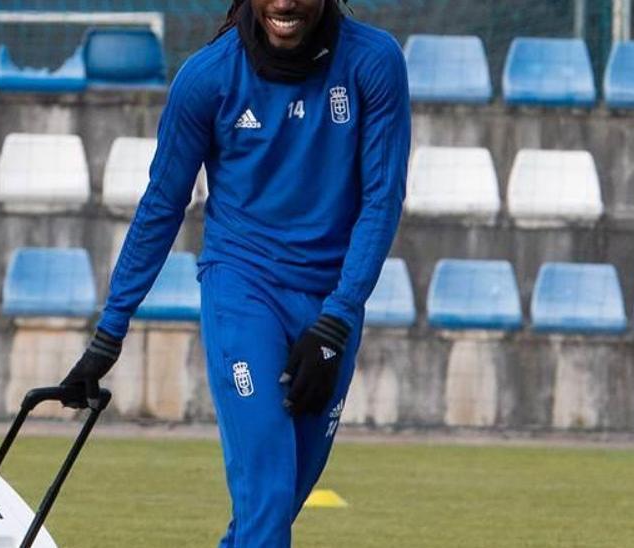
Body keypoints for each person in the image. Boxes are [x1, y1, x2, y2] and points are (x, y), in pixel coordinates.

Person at [60, 0, 409, 545]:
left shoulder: (374, 61)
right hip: (242, 292)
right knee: (267, 497)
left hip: (330, 305)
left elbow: (382, 196)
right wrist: (111, 331)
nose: (285, 3)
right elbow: (161, 205)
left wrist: (337, 319)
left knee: (272, 510)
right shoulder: (206, 78)